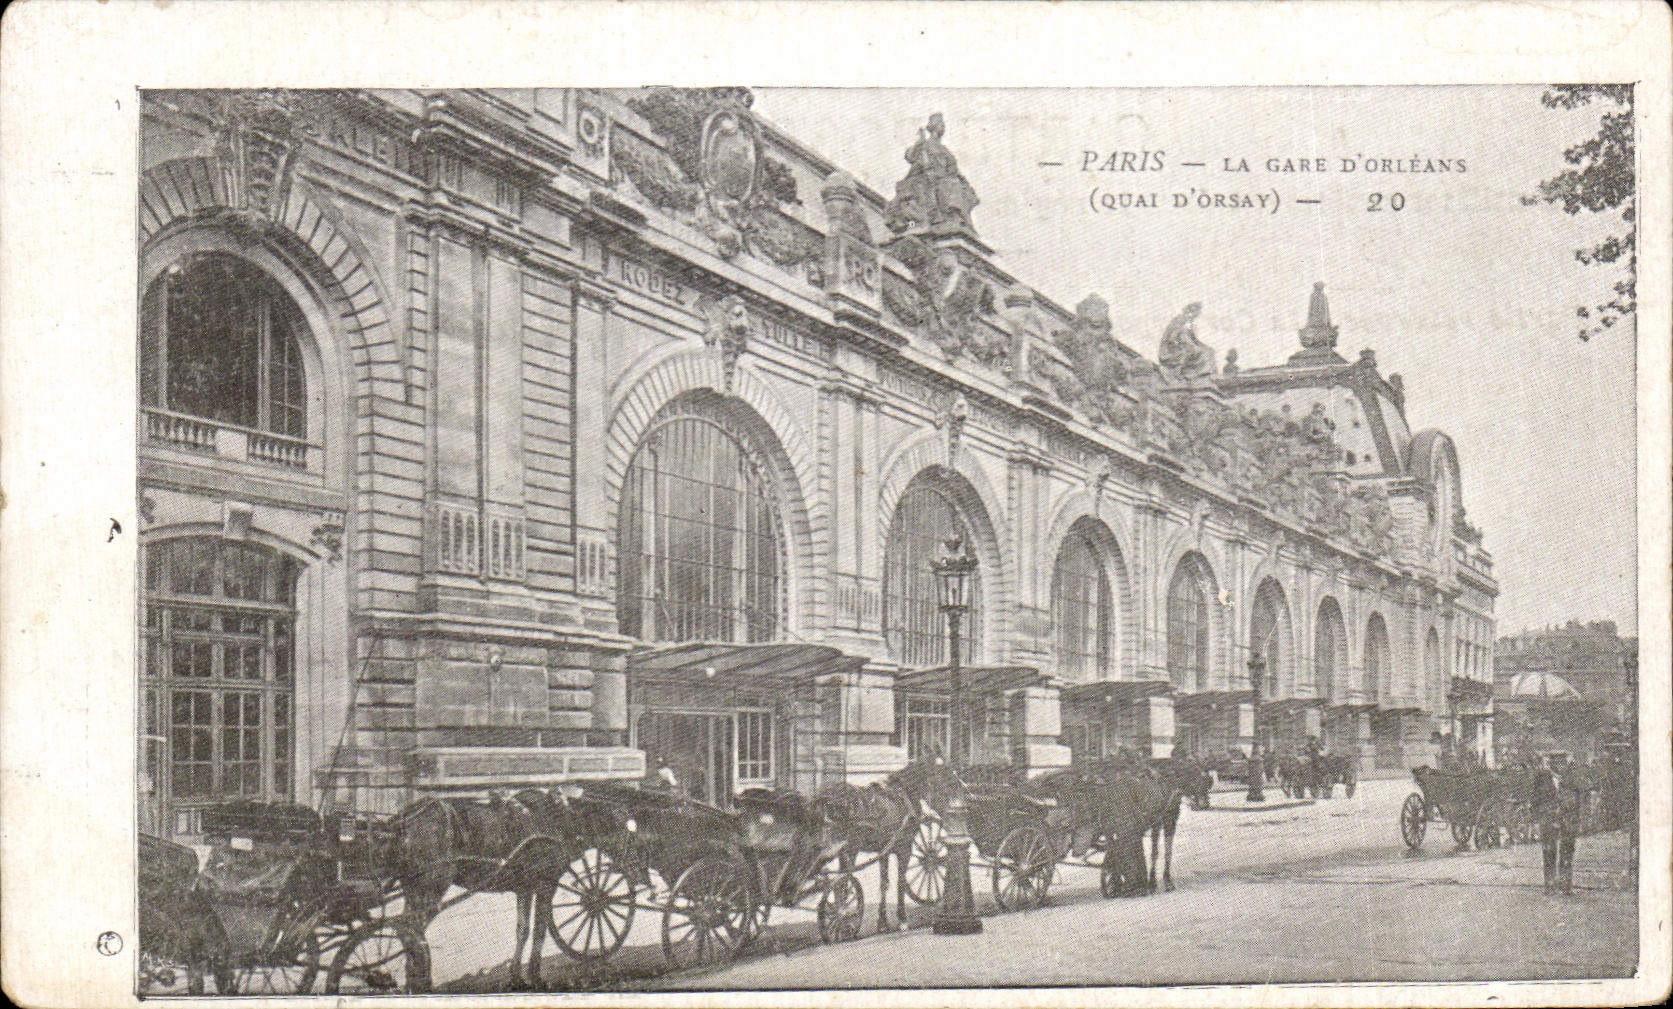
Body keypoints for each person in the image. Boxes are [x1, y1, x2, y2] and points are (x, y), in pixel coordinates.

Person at [1531, 751, 1583, 894]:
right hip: (1548, 819)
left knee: (1567, 852)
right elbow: (1535, 800)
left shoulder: (1572, 779)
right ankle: (1550, 884)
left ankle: (1566, 884)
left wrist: (1578, 819)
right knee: (1549, 851)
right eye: (1556, 763)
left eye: (1562, 763)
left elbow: (1579, 799)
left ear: (1566, 764)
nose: (1560, 766)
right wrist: (1536, 821)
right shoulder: (1542, 779)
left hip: (1568, 819)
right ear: (1551, 764)